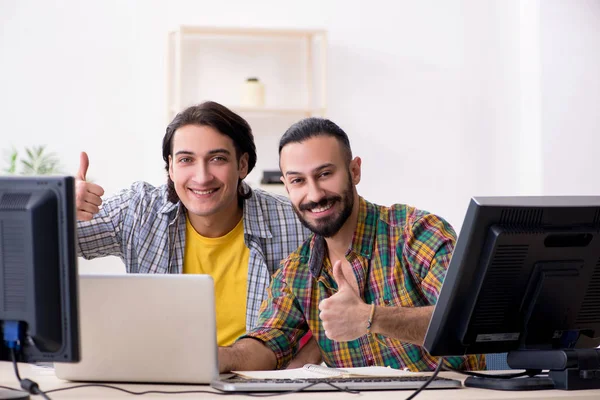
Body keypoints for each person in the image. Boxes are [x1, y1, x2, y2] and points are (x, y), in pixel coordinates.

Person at [218, 117, 486, 372]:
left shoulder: (416, 233)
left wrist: (373, 318)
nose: (314, 194)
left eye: (324, 174)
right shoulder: (296, 273)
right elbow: (269, 342)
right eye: (298, 180)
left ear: (354, 171)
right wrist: (222, 357)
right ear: (287, 187)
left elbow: (467, 320)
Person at [75, 101, 313, 352]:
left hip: (259, 382)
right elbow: (44, 246)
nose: (202, 177)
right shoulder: (137, 211)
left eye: (217, 159)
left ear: (242, 165)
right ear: (171, 168)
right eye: (186, 159)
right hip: (161, 382)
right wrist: (60, 206)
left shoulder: (296, 221)